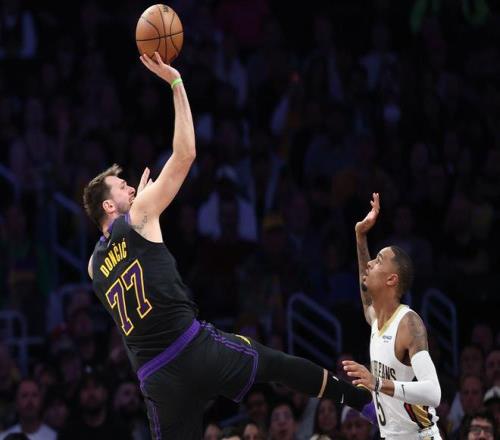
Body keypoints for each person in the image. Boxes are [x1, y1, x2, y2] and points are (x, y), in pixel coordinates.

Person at [82, 52, 372, 439]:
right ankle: (361, 402)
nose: (132, 188)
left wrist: (144, 208)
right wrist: (176, 82)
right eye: (123, 187)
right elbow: (186, 154)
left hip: (156, 379)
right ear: (108, 205)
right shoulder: (139, 215)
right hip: (192, 348)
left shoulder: (92, 266)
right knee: (277, 366)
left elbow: (127, 262)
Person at [342, 193, 442, 439]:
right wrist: (360, 236)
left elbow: (434, 393)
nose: (369, 264)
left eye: (377, 261)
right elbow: (367, 297)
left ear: (391, 279)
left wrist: (376, 383)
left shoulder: (408, 323)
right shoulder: (377, 319)